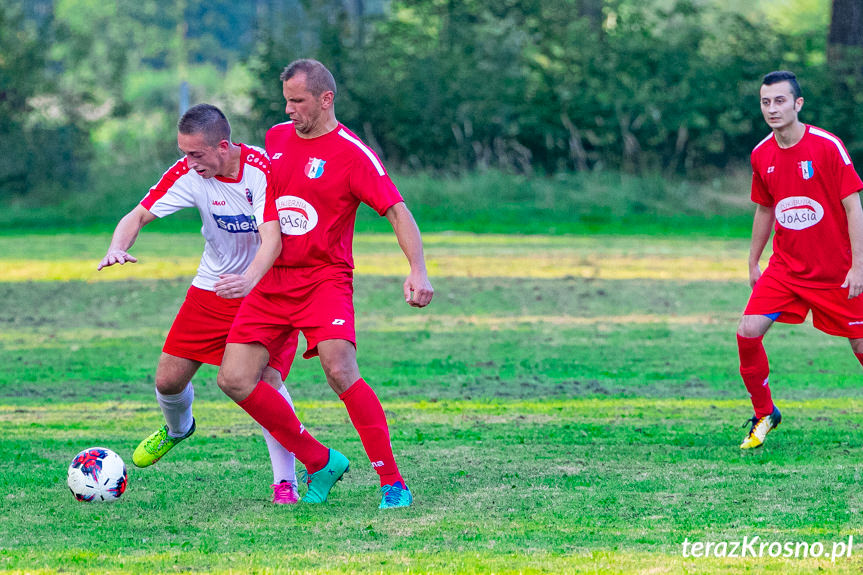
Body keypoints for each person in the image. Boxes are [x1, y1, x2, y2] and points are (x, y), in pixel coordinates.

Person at [217, 59, 434, 509]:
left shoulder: (353, 154)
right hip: (272, 278)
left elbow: (398, 211)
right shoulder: (276, 139)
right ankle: (319, 460)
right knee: (235, 379)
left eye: (297, 101)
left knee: (339, 369)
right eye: (286, 101)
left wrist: (417, 270)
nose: (289, 109)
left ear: (325, 99)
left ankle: (392, 482)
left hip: (324, 280)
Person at [97, 103, 303, 504]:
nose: (188, 162)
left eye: (196, 154)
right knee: (168, 381)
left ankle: (286, 481)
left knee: (265, 383)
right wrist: (116, 247)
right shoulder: (188, 172)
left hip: (266, 289)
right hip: (212, 286)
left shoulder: (262, 171)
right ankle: (178, 429)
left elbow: (273, 238)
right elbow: (138, 215)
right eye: (183, 152)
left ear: (223, 146)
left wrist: (248, 281)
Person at [737, 70, 863, 449]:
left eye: (779, 101)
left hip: (836, 270)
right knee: (747, 333)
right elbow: (765, 209)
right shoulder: (761, 153)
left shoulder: (827, 146)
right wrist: (753, 261)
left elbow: (853, 208)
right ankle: (765, 413)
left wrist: (859, 265)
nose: (772, 109)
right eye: (765, 102)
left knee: (860, 347)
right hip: (787, 269)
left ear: (798, 104)